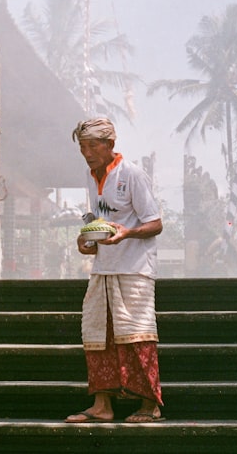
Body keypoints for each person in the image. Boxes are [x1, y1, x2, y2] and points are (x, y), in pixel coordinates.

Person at [65, 118, 165, 424]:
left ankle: (150, 405)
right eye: (83, 147)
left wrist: (126, 232)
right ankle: (102, 404)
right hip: (104, 268)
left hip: (134, 269)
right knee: (97, 334)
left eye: (93, 146)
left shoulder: (132, 173)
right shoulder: (89, 175)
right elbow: (96, 218)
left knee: (137, 334)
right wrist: (88, 239)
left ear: (110, 144)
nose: (87, 153)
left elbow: (155, 223)